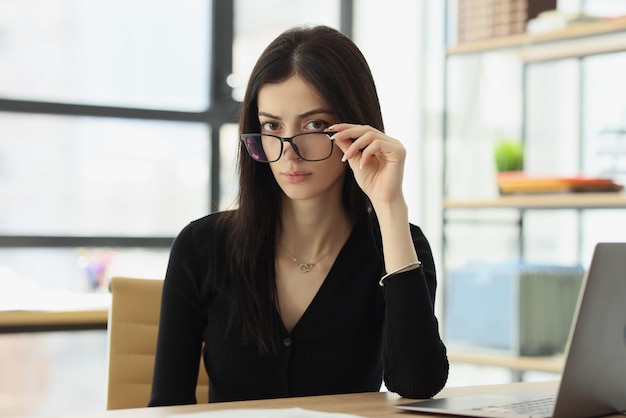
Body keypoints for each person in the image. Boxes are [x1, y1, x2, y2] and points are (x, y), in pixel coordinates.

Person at [149, 25, 448, 406]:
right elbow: (166, 405)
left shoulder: (398, 244)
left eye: (315, 125)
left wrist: (390, 206)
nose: (288, 152)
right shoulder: (202, 247)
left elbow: (417, 383)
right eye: (272, 126)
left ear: (357, 127)